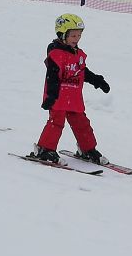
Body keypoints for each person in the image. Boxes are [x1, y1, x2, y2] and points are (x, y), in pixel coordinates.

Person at [32, 13, 110, 166]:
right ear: (62, 34)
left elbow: (82, 72)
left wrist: (97, 81)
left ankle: (87, 149)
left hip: (74, 97)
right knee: (56, 123)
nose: (76, 38)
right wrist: (51, 96)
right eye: (73, 35)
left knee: (82, 123)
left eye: (79, 35)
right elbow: (52, 76)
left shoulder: (77, 54)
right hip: (58, 97)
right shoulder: (56, 53)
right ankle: (45, 149)